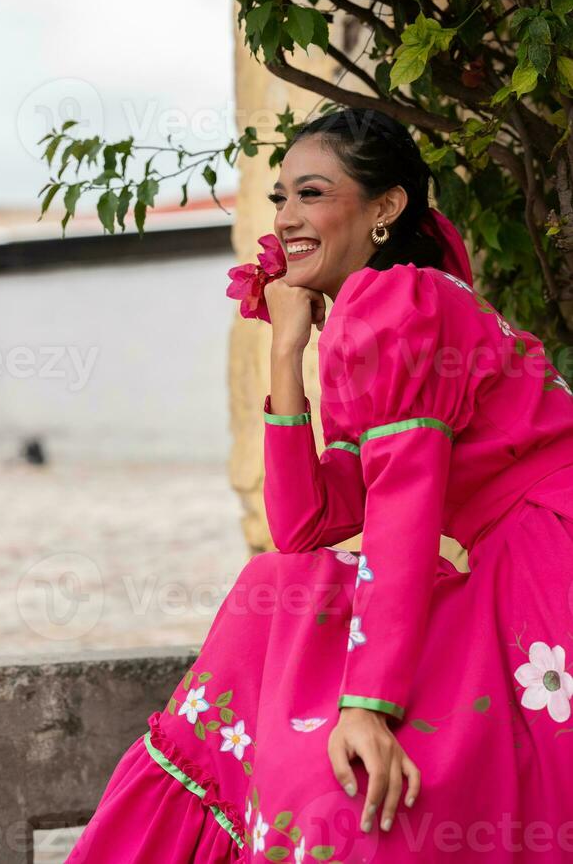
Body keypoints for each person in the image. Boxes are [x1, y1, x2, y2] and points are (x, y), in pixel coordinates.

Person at [65, 108, 573, 864]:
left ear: (386, 208)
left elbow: (404, 510)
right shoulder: (373, 313)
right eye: (278, 198)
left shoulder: (398, 303)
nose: (286, 218)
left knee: (390, 786)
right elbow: (307, 525)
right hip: (516, 553)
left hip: (546, 555)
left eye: (311, 193)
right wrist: (284, 352)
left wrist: (369, 706)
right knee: (280, 586)